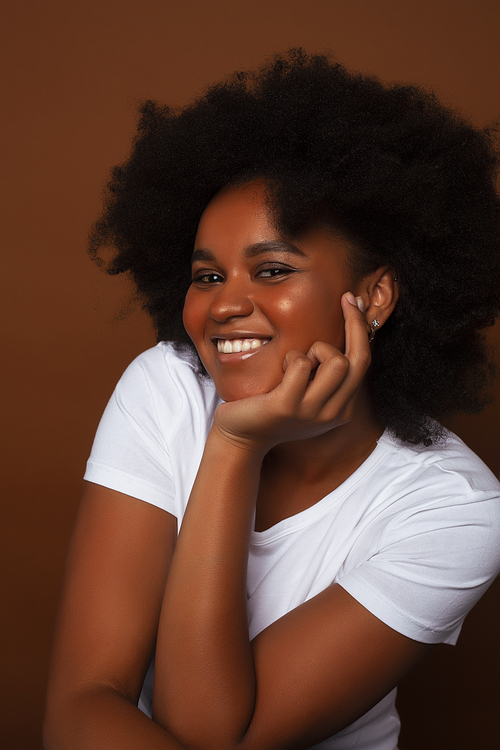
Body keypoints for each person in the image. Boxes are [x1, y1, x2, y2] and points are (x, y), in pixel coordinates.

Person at [44, 50, 500, 750]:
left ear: (374, 296)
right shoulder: (166, 387)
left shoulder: (458, 510)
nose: (226, 304)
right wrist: (237, 440)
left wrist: (233, 446)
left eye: (273, 269)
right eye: (206, 275)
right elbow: (79, 708)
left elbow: (209, 733)